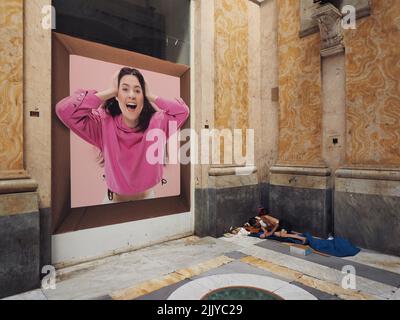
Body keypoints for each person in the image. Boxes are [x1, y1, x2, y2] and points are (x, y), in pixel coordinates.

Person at [56, 67, 189, 203]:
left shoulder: (157, 122)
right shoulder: (102, 123)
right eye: (125, 89)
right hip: (113, 204)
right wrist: (111, 91)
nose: (131, 95)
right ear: (116, 95)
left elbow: (182, 111)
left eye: (137, 90)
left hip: (148, 202)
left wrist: (150, 95)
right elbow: (64, 110)